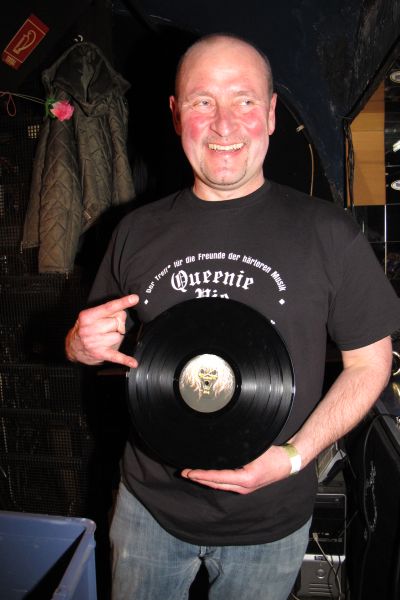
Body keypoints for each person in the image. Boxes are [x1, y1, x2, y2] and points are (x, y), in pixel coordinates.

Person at [65, 33, 400, 599]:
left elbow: (370, 364)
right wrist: (78, 344)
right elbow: (100, 352)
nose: (224, 124)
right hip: (148, 510)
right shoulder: (134, 232)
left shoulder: (329, 233)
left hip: (271, 520)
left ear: (271, 115)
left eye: (244, 100)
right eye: (203, 102)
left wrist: (292, 458)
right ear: (177, 115)